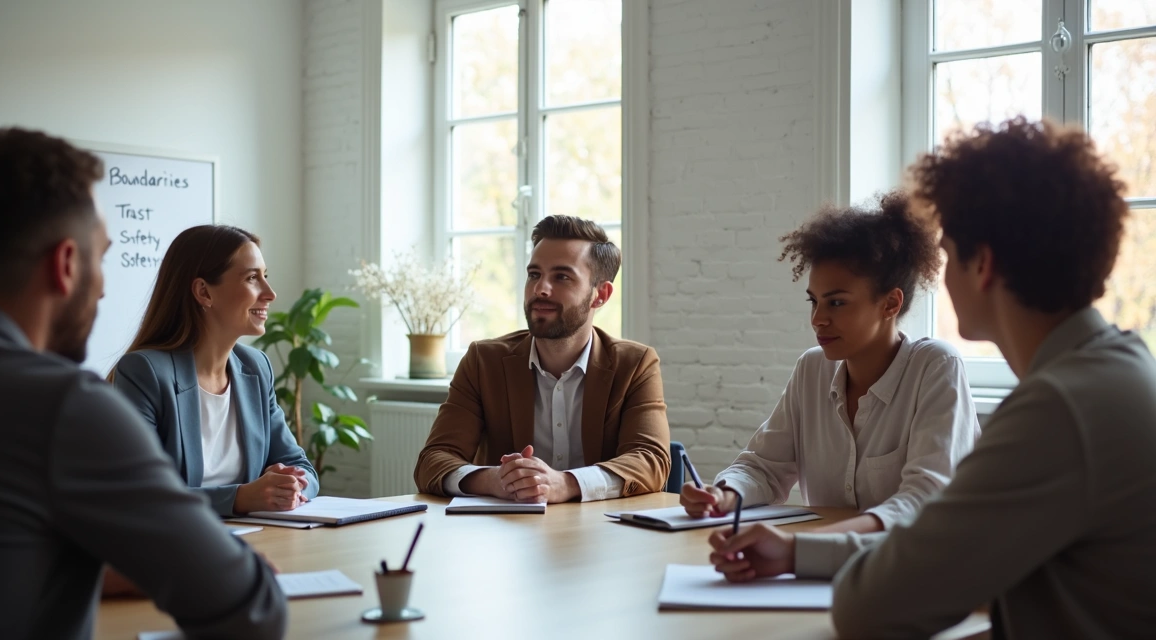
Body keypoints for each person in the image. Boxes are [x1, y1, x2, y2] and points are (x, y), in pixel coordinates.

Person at [708, 117, 1156, 638]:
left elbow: (871, 604)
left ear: (982, 264)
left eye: (947, 254)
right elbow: (946, 545)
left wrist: (801, 553)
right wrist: (797, 550)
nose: (940, 276)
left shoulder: (1061, 409)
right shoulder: (1118, 371)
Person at [0, 126, 285, 639]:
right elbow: (251, 610)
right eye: (101, 258)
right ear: (65, 266)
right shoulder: (60, 407)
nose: (103, 289)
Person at [681, 191, 979, 534]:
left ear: (890, 304)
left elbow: (924, 499)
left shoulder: (936, 367)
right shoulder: (812, 369)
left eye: (836, 303)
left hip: (914, 572)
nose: (818, 319)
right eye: (814, 302)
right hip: (822, 569)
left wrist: (805, 546)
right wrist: (724, 494)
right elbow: (763, 467)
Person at [414, 215, 670, 502]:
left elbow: (651, 461)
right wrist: (495, 480)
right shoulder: (483, 361)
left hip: (600, 533)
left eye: (561, 277)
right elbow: (433, 461)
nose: (540, 289)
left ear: (600, 295)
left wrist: (567, 483)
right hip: (509, 536)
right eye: (534, 274)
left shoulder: (635, 364)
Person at [111, 225, 318, 517]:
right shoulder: (144, 372)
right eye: (251, 278)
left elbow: (304, 468)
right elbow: (139, 493)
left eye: (265, 277)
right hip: (175, 547)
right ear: (203, 292)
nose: (270, 293)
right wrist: (240, 498)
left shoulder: (256, 368)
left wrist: (291, 487)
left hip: (258, 539)